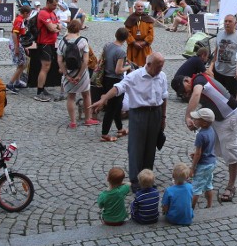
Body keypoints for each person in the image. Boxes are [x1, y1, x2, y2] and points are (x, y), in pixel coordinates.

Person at [90, 52, 168, 190]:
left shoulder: (161, 76)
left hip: (156, 113)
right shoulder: (135, 76)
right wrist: (103, 99)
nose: (160, 70)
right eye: (158, 67)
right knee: (136, 148)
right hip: (139, 114)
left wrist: (163, 117)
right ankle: (136, 181)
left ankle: (147, 178)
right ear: (148, 64)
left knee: (151, 148)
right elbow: (118, 88)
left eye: (162, 67)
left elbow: (164, 97)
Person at [180, 71, 237, 203]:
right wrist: (197, 123)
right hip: (216, 118)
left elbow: (197, 93)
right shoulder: (197, 82)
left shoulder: (198, 81)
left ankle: (231, 186)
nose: (186, 95)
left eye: (185, 91)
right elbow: (207, 107)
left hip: (230, 116)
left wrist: (188, 116)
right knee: (206, 146)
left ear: (187, 81)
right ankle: (203, 175)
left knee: (231, 152)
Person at [58, 19, 97, 128]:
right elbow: (85, 61)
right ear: (79, 29)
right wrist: (80, 75)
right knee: (86, 95)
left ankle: (73, 121)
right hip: (82, 72)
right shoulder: (83, 41)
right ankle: (88, 119)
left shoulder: (62, 41)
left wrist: (66, 75)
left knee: (71, 97)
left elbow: (60, 61)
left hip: (68, 72)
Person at [99, 27, 131, 141]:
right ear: (126, 38)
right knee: (112, 108)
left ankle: (120, 128)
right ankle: (105, 133)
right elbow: (118, 70)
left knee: (117, 105)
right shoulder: (121, 52)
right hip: (116, 80)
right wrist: (128, 67)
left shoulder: (108, 46)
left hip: (106, 78)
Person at [212, 14, 237, 98]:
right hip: (218, 71)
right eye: (225, 21)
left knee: (231, 98)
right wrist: (212, 66)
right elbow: (216, 50)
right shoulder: (219, 34)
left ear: (235, 24)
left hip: (231, 73)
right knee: (218, 96)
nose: (227, 23)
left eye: (230, 21)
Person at [34, 0, 61, 102]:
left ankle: (42, 88)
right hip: (44, 43)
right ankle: (39, 91)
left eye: (56, 5)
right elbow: (51, 28)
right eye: (54, 5)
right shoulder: (44, 13)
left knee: (47, 66)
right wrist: (55, 27)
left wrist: (55, 26)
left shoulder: (52, 13)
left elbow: (59, 26)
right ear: (48, 3)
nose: (55, 7)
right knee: (45, 67)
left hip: (51, 43)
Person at [189, 108, 216, 209]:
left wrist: (192, 168)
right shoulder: (211, 130)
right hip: (211, 162)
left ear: (204, 123)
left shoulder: (200, 135)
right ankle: (209, 206)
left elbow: (198, 153)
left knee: (195, 189)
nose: (194, 120)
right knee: (208, 185)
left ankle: (190, 209)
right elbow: (207, 146)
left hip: (203, 165)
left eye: (197, 118)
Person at [6, 5, 31, 94]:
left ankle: (17, 81)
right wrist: (17, 47)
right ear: (25, 13)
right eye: (29, 14)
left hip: (18, 44)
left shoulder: (20, 20)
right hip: (16, 44)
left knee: (20, 63)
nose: (29, 15)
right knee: (22, 65)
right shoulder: (19, 20)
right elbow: (14, 34)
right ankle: (10, 83)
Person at [124, 2, 154, 68]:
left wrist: (145, 42)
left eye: (141, 6)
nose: (140, 8)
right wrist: (134, 42)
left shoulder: (148, 19)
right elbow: (127, 32)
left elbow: (151, 33)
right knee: (132, 66)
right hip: (133, 47)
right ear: (135, 7)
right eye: (138, 6)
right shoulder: (130, 19)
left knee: (146, 66)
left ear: (144, 8)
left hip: (144, 46)